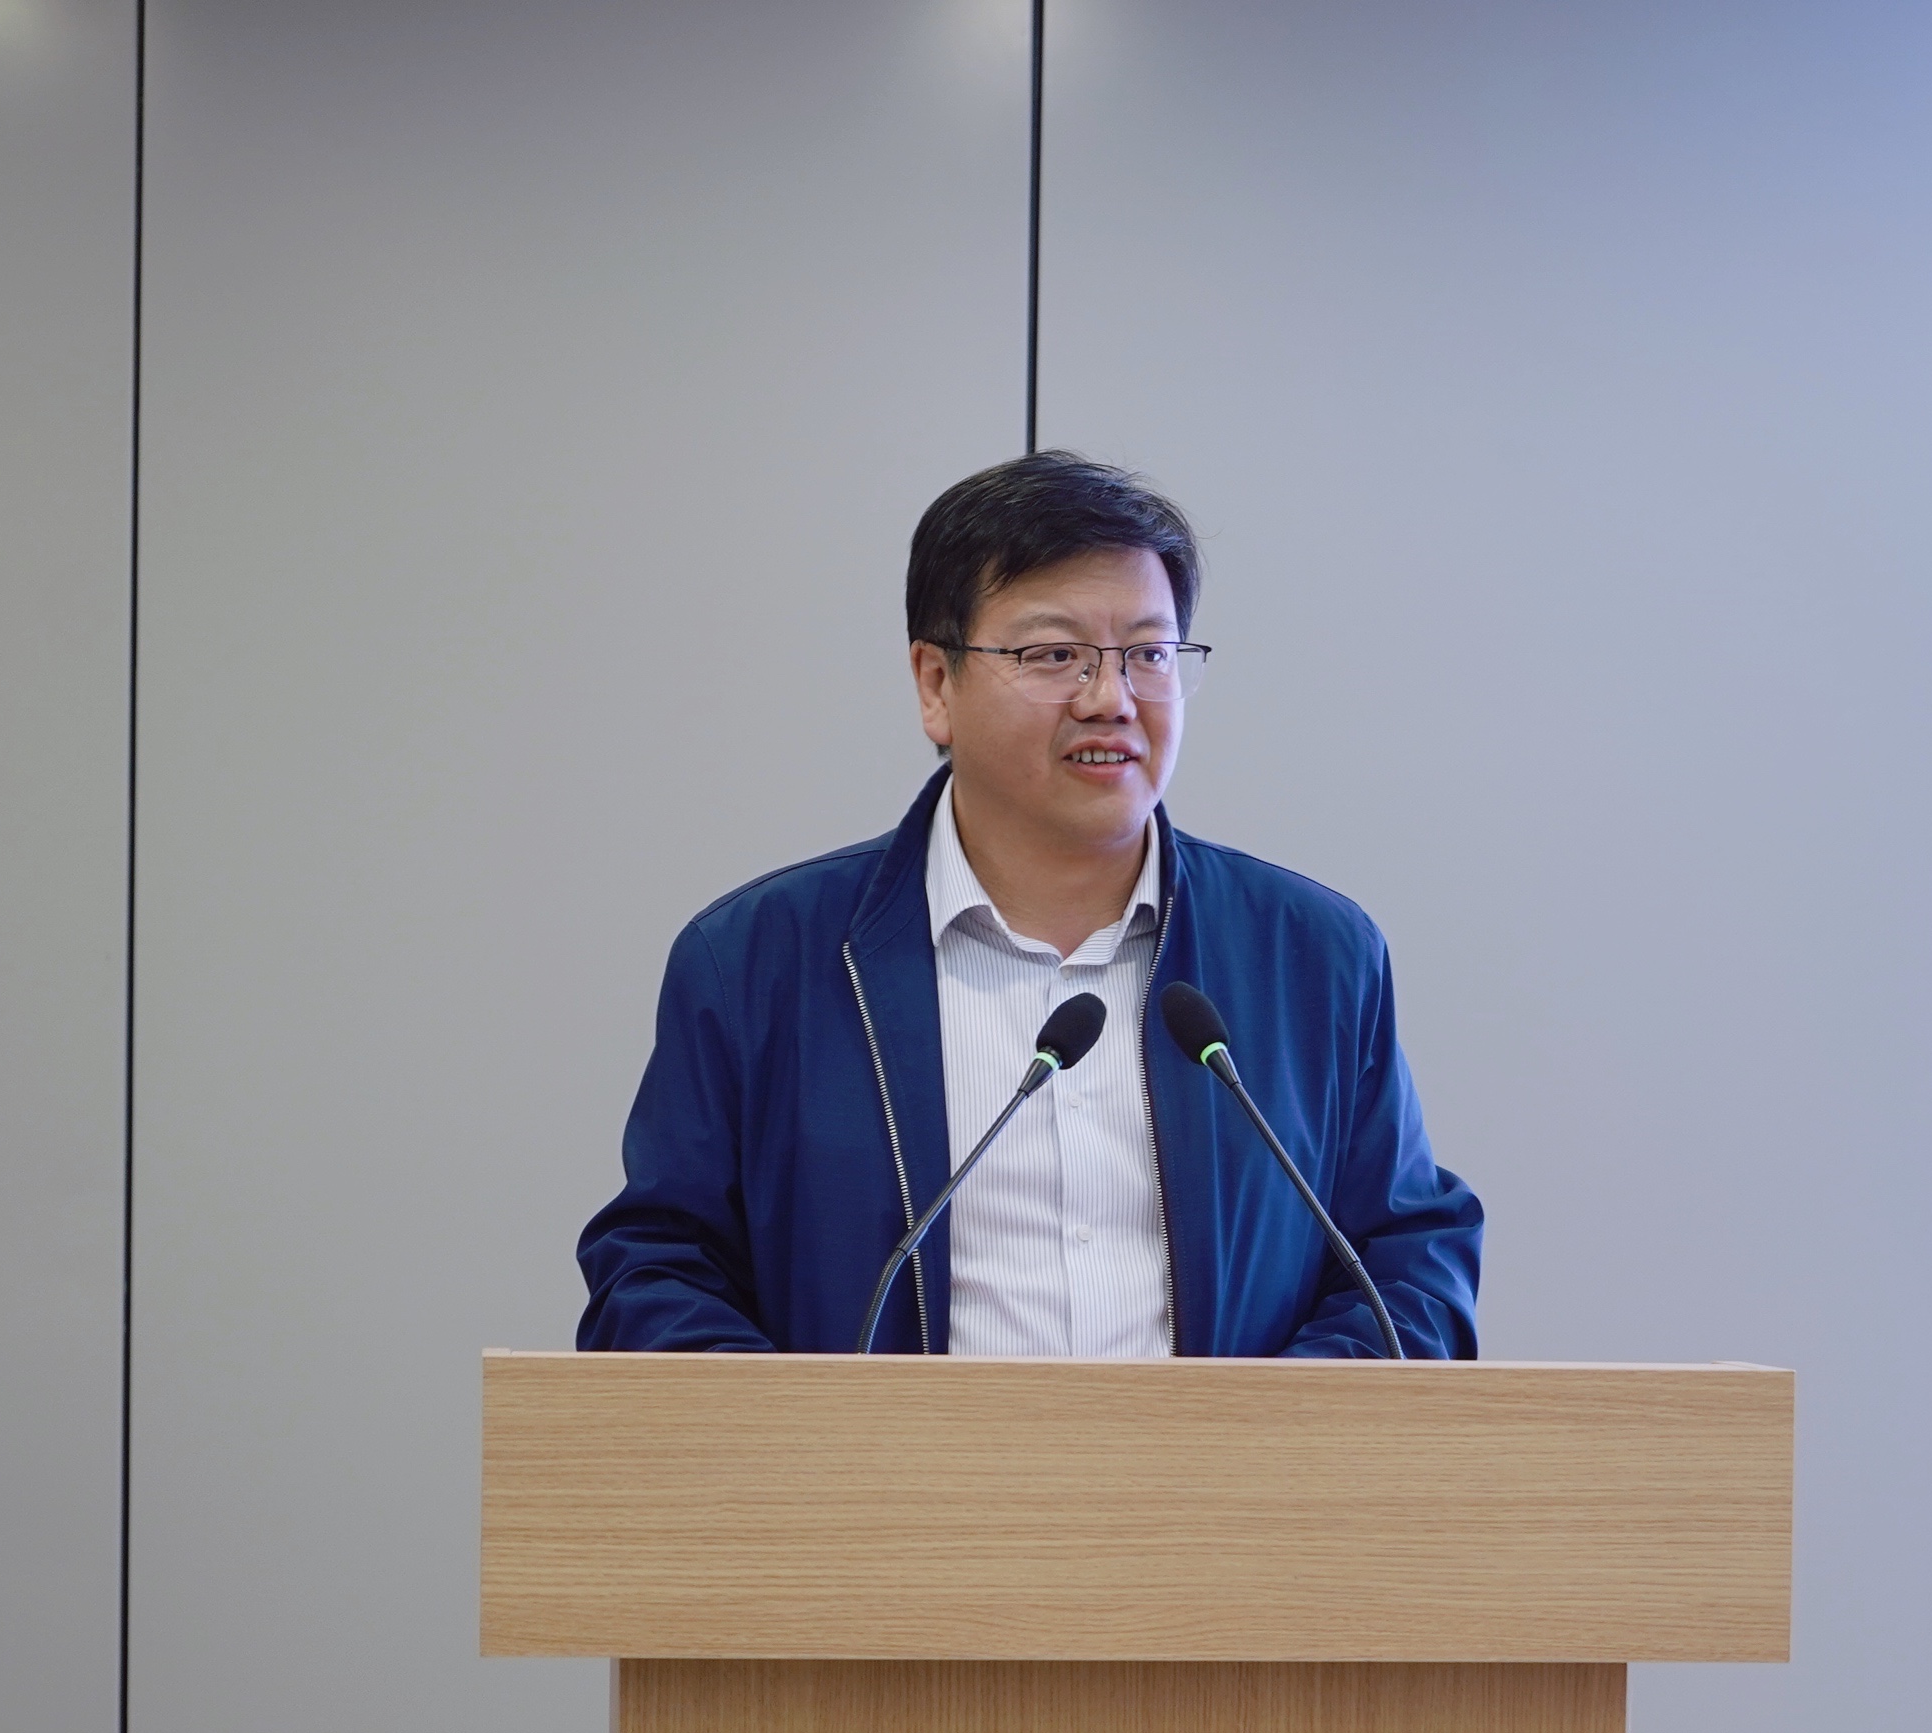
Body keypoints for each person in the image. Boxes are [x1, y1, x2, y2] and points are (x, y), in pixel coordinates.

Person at [576, 452, 1483, 1357]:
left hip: (1228, 1458)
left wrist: (1267, 1426)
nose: (1112, 700)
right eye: (1055, 655)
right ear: (936, 684)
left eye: (1148, 655)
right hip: (884, 1458)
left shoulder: (1311, 955)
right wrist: (813, 1436)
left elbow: (1409, 1261)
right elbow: (658, 1271)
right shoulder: (758, 960)